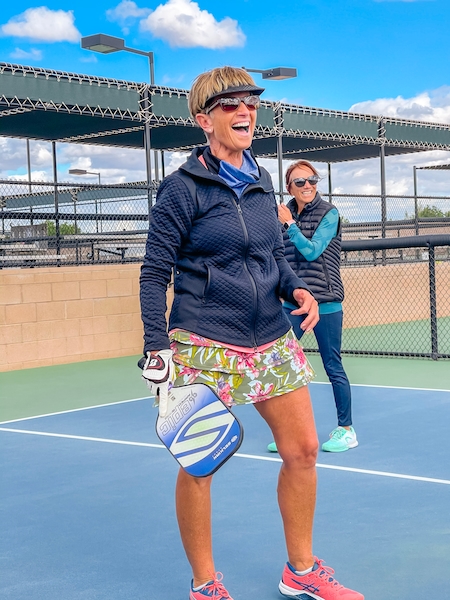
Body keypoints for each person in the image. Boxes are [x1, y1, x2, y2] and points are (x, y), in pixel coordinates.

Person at [139, 66, 364, 600]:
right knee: (199, 464)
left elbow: (275, 256)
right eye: (230, 104)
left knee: (303, 450)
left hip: (270, 334)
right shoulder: (180, 190)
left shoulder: (263, 182)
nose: (245, 111)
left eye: (251, 102)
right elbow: (153, 272)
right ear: (204, 119)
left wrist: (298, 289)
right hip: (204, 339)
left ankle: (301, 571)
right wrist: (156, 346)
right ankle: (205, 584)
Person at [268, 159, 357, 454]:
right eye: (300, 182)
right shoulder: (283, 213)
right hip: (293, 303)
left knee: (332, 365)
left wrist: (290, 225)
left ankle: (346, 430)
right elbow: (277, 255)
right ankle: (289, 432)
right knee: (279, 362)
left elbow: (312, 251)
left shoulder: (329, 213)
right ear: (289, 188)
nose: (308, 185)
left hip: (326, 302)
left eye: (312, 180)